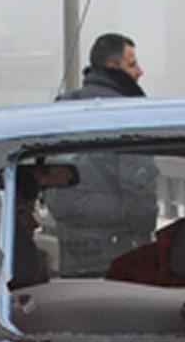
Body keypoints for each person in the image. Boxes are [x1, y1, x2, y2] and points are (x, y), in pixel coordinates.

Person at [44, 32, 157, 276]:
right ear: (112, 67)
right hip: (118, 244)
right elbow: (138, 183)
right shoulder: (127, 114)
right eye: (132, 64)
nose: (140, 72)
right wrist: (143, 235)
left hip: (68, 241)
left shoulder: (62, 108)